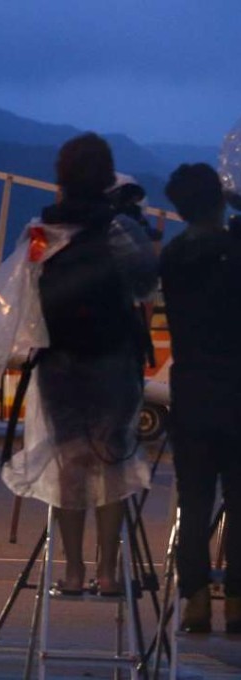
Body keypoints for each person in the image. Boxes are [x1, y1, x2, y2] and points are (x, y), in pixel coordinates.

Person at [1, 132, 158, 596]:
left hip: (59, 361)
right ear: (108, 177)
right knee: (112, 458)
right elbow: (145, 282)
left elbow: (23, 289)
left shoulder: (40, 231)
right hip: (112, 357)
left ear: (61, 178)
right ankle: (107, 572)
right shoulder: (119, 229)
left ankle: (70, 571)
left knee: (69, 459)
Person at [160, 163, 241, 634]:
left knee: (193, 502)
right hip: (237, 390)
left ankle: (193, 599)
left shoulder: (173, 258)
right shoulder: (234, 252)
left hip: (190, 390)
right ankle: (236, 599)